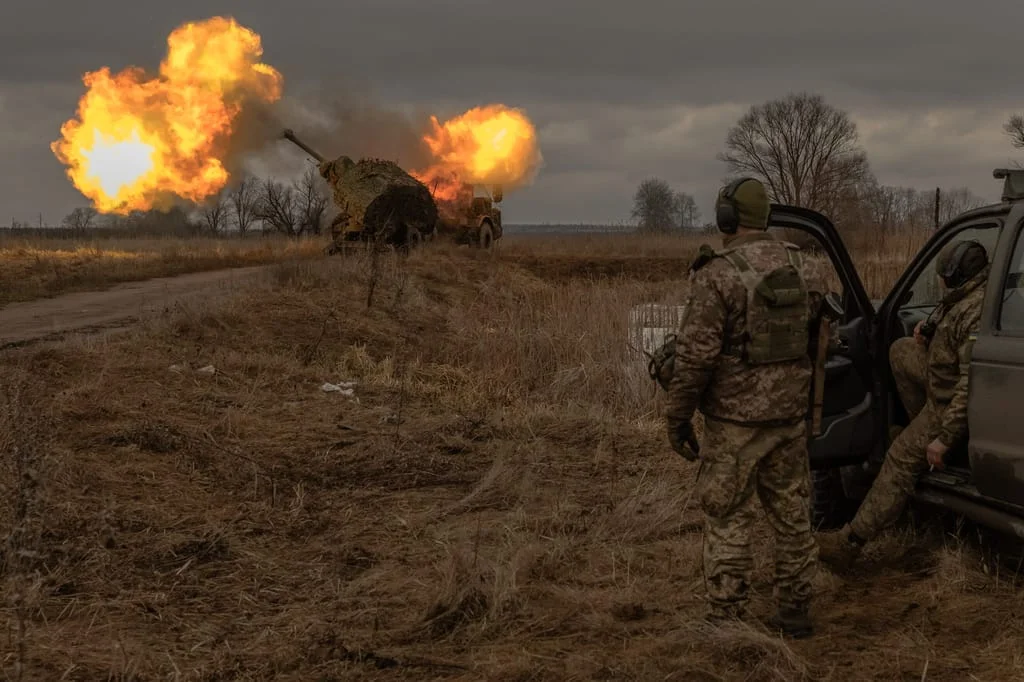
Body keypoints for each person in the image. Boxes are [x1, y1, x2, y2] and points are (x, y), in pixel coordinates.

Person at [665, 177, 835, 638]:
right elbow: (824, 340)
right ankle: (796, 611)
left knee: (727, 517)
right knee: (793, 518)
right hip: (788, 420)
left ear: (727, 217)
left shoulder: (717, 274)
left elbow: (695, 356)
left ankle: (727, 618)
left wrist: (677, 417)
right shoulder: (810, 269)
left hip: (734, 426)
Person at [817, 239, 989, 567]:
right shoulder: (962, 297)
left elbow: (970, 387)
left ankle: (851, 542)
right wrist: (928, 332)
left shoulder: (975, 313)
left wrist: (944, 437)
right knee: (900, 349)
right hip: (941, 380)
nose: (939, 280)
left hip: (949, 402)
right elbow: (945, 333)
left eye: (943, 275)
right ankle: (919, 429)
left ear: (955, 275)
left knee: (898, 457)